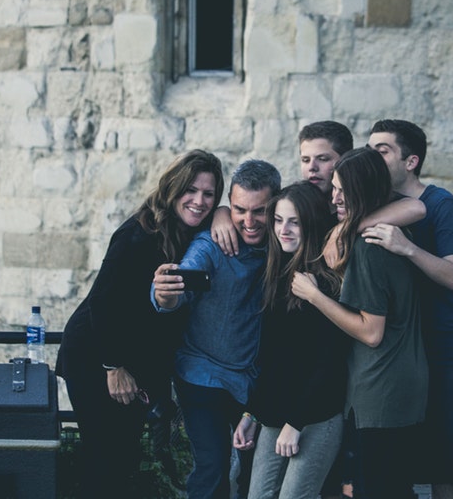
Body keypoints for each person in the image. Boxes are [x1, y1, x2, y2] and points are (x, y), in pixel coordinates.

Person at [56, 149, 224, 499]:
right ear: (173, 189)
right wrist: (113, 366)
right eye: (191, 190)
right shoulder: (138, 233)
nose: (199, 201)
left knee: (124, 458)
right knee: (106, 458)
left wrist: (222, 214)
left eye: (209, 194)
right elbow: (102, 301)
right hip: (97, 358)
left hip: (134, 363)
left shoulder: (190, 231)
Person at [364, 119, 453, 499]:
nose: (373, 156)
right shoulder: (382, 207)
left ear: (411, 161)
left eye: (382, 150)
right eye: (369, 148)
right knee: (439, 470)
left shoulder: (441, 203)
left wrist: (407, 248)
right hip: (414, 361)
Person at [292, 147, 428, 499]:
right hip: (394, 385)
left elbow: (371, 332)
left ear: (363, 191)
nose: (334, 197)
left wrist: (314, 295)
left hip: (381, 388)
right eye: (334, 188)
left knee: (379, 490)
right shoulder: (385, 234)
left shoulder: (370, 247)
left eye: (342, 190)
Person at [151, 159, 281, 499]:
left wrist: (224, 210)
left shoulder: (284, 243)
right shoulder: (211, 243)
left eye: (260, 212)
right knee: (212, 465)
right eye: (239, 210)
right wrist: (165, 296)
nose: (248, 222)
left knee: (257, 470)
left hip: (255, 380)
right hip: (202, 371)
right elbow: (184, 280)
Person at [232, 181, 349, 499]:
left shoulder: (323, 280)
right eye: (279, 220)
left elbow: (330, 361)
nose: (283, 229)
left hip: (317, 414)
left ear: (311, 222)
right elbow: (272, 357)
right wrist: (250, 414)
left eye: (294, 221)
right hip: (276, 413)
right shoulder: (274, 272)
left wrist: (296, 423)